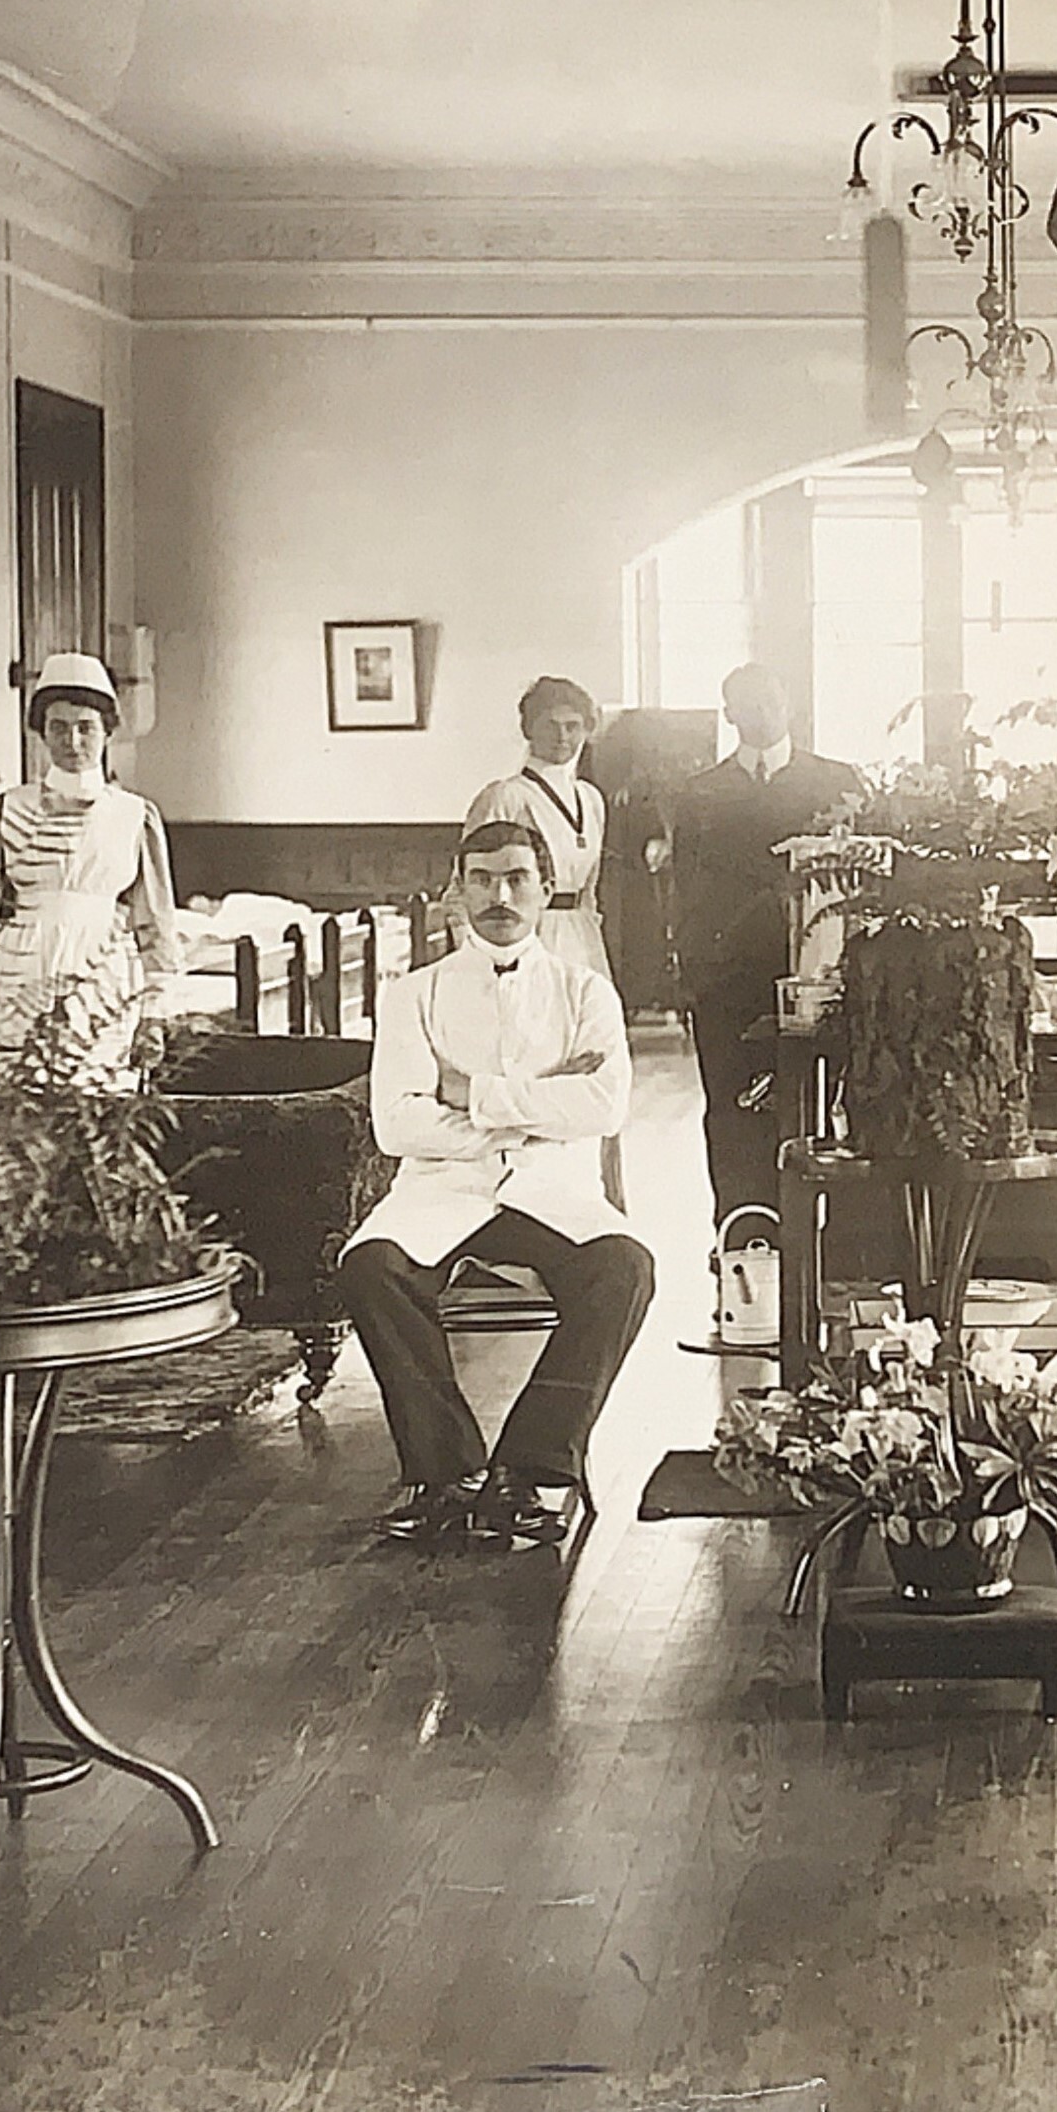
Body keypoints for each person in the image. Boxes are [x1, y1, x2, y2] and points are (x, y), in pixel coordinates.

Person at [329, 819, 656, 1550]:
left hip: (551, 1192)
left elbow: (603, 1107)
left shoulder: (586, 992)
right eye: (481, 879)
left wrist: (467, 1091)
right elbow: (397, 1126)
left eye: (515, 879)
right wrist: (532, 1106)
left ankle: (528, 1469)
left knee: (624, 1268)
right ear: (458, 891)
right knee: (371, 1266)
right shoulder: (413, 994)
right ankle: (445, 1474)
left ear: (545, 889)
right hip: (443, 1191)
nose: (498, 896)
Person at [661, 664, 861, 1231]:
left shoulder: (837, 782)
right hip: (728, 983)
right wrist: (692, 977)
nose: (760, 711)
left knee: (821, 1105)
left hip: (817, 978)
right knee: (732, 1108)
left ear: (789, 702)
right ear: (729, 714)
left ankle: (822, 1236)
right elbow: (686, 892)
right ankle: (742, 1233)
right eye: (745, 702)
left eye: (770, 698)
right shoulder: (701, 794)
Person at [0, 652, 179, 1088]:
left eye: (86, 727)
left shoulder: (134, 815)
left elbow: (156, 924)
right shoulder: (5, 811)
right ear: (41, 733)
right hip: (21, 971)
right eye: (58, 727)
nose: (72, 741)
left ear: (107, 731)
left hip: (106, 976)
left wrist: (154, 1015)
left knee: (100, 1112)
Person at [465, 676, 617, 993]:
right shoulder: (505, 796)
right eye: (550, 725)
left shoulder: (591, 799)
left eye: (573, 726)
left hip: (582, 938)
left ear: (586, 731)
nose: (562, 736)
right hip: (526, 935)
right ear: (528, 729)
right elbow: (465, 885)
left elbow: (590, 890)